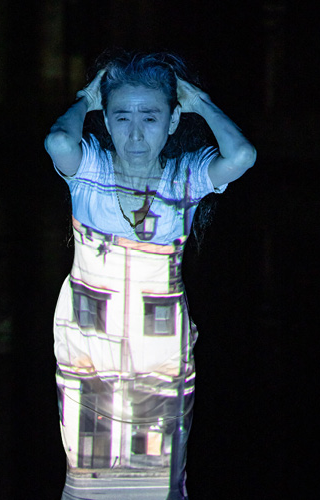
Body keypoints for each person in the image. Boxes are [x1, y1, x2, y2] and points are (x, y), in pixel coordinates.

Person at [45, 50, 256, 500]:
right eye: (122, 118)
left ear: (172, 122)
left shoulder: (185, 178)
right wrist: (86, 97)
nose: (136, 133)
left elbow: (241, 155)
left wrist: (198, 101)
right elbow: (59, 143)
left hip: (160, 357)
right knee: (89, 481)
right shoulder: (90, 170)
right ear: (106, 120)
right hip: (90, 355)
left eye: (151, 117)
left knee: (158, 482)